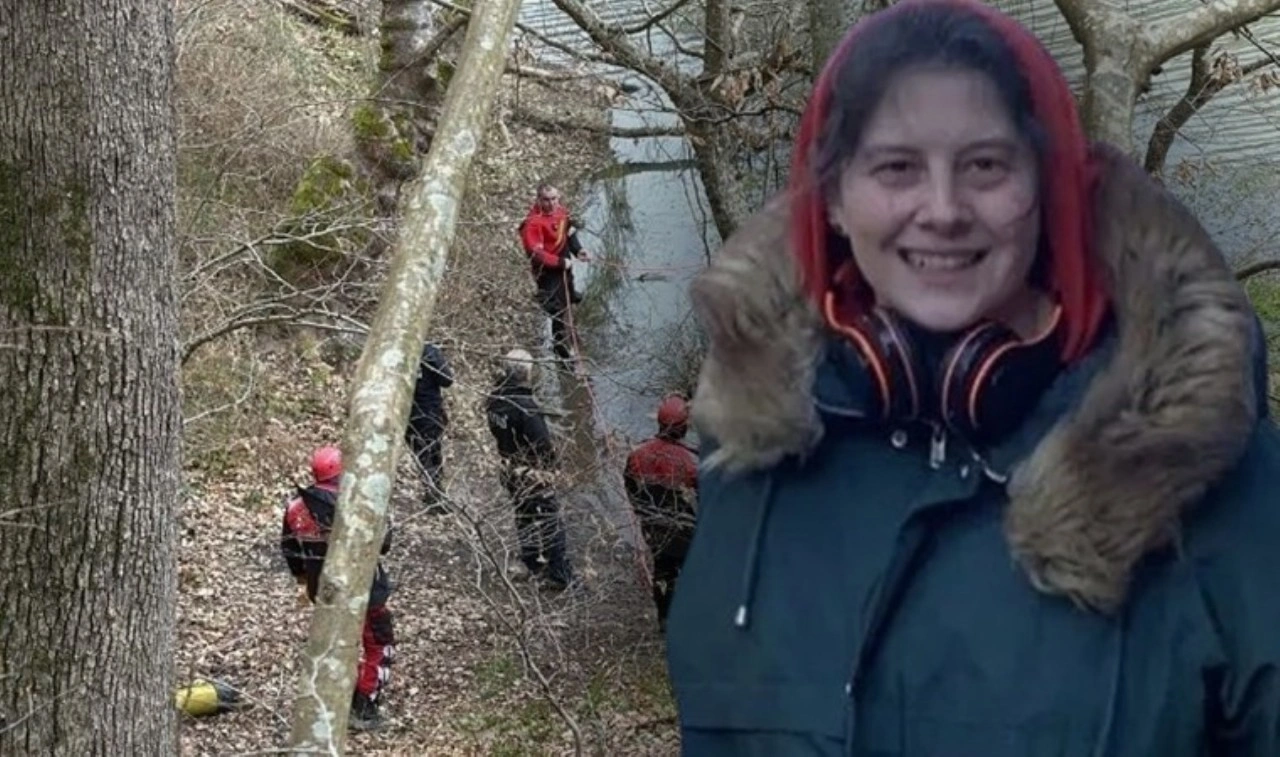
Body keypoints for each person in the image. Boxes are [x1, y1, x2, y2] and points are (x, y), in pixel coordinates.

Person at [665, 0, 1280, 754]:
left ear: (1045, 191)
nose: (944, 211)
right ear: (833, 199)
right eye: (895, 167)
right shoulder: (752, 454)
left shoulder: (1210, 476)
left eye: (986, 165)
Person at [280, 446, 396, 731]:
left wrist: (304, 578)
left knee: (337, 645)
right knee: (380, 645)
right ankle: (364, 707)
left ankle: (337, 699)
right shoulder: (358, 500)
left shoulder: (296, 507)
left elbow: (290, 550)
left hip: (323, 590)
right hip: (365, 589)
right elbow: (383, 544)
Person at [485, 348, 576, 591]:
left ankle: (531, 560)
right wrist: (553, 471)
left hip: (509, 468)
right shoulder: (527, 408)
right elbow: (543, 445)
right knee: (550, 520)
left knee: (524, 515)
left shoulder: (494, 400)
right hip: (531, 474)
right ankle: (559, 575)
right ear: (526, 374)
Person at [623, 394, 699, 631]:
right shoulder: (691, 461)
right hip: (685, 529)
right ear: (684, 427)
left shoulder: (637, 454)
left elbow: (631, 488)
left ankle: (664, 619)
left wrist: (642, 513)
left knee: (662, 569)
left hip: (653, 526)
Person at [519, 182, 590, 362]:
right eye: (546, 200)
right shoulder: (533, 223)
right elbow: (537, 254)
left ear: (558, 198)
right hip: (547, 270)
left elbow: (569, 233)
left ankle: (570, 296)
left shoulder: (561, 211)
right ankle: (560, 349)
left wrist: (578, 250)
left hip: (563, 260)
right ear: (538, 199)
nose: (551, 204)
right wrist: (559, 262)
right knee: (557, 309)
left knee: (568, 286)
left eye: (554, 199)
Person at [405, 340, 454, 510]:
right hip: (428, 412)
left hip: (407, 413)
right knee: (431, 455)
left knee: (422, 454)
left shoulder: (397, 350)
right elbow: (447, 379)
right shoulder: (428, 351)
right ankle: (434, 498)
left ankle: (434, 494)